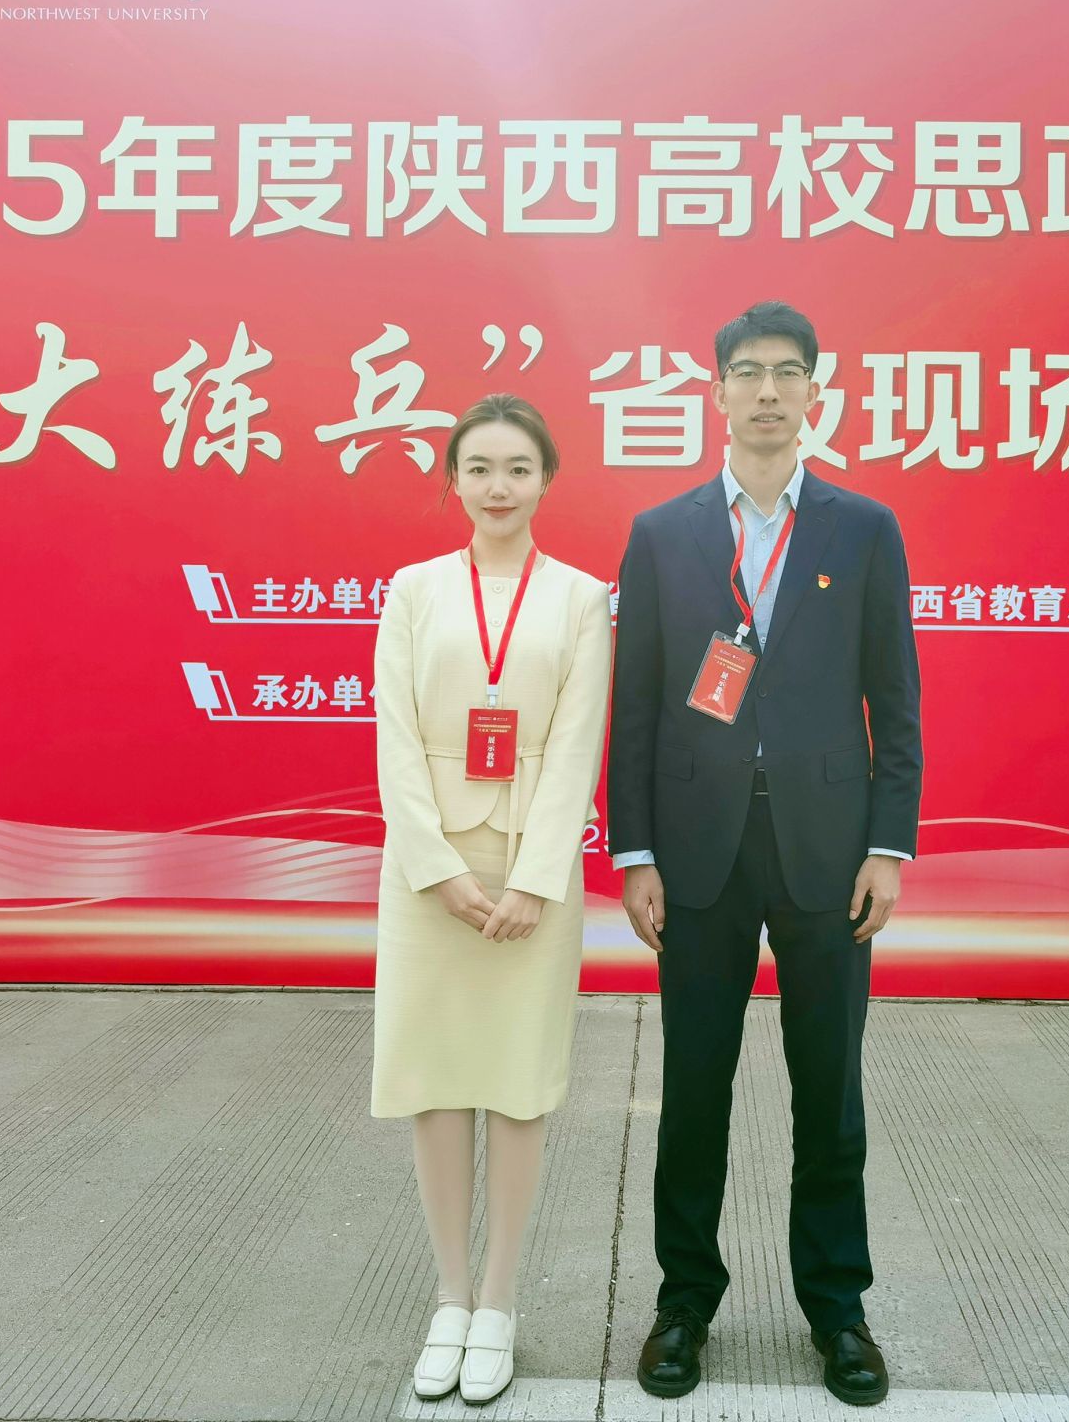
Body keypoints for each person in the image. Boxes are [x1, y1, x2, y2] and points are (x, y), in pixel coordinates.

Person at [608, 301, 922, 1408]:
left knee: (828, 1090)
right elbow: (637, 705)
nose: (768, 392)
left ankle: (837, 1309)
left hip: (827, 855)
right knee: (694, 1086)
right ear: (718, 392)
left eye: (788, 373)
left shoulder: (861, 528)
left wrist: (887, 846)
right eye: (748, 372)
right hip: (697, 853)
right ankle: (683, 1302)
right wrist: (635, 850)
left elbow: (895, 696)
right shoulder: (663, 533)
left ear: (814, 394)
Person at [370, 393, 613, 1405]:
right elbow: (392, 735)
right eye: (479, 469)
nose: (498, 486)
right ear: (454, 481)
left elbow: (577, 745)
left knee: (516, 1085)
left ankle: (500, 1303)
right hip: (427, 874)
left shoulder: (580, 599)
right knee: (433, 1080)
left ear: (546, 478)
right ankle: (450, 1298)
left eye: (517, 468)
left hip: (529, 874)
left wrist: (535, 879)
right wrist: (436, 868)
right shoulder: (414, 590)